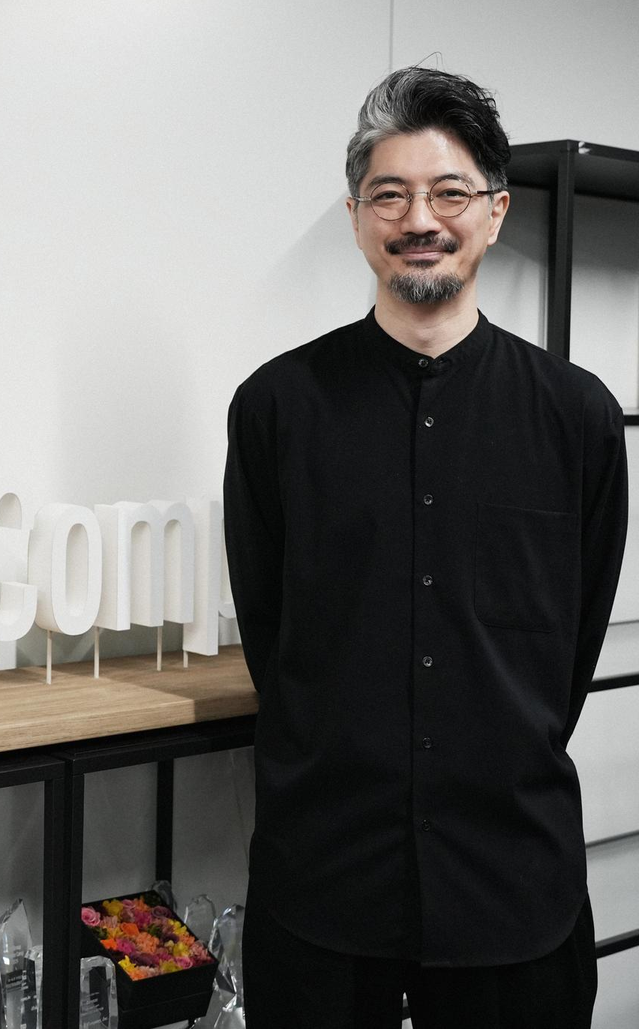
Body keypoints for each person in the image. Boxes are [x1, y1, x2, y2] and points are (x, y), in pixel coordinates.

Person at [223, 66, 628, 1029]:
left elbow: (571, 651)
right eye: (390, 195)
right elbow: (273, 633)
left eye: (450, 193)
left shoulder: (577, 417)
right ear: (357, 216)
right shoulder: (276, 408)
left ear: (495, 211)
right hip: (324, 885)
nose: (420, 219)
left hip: (512, 887)